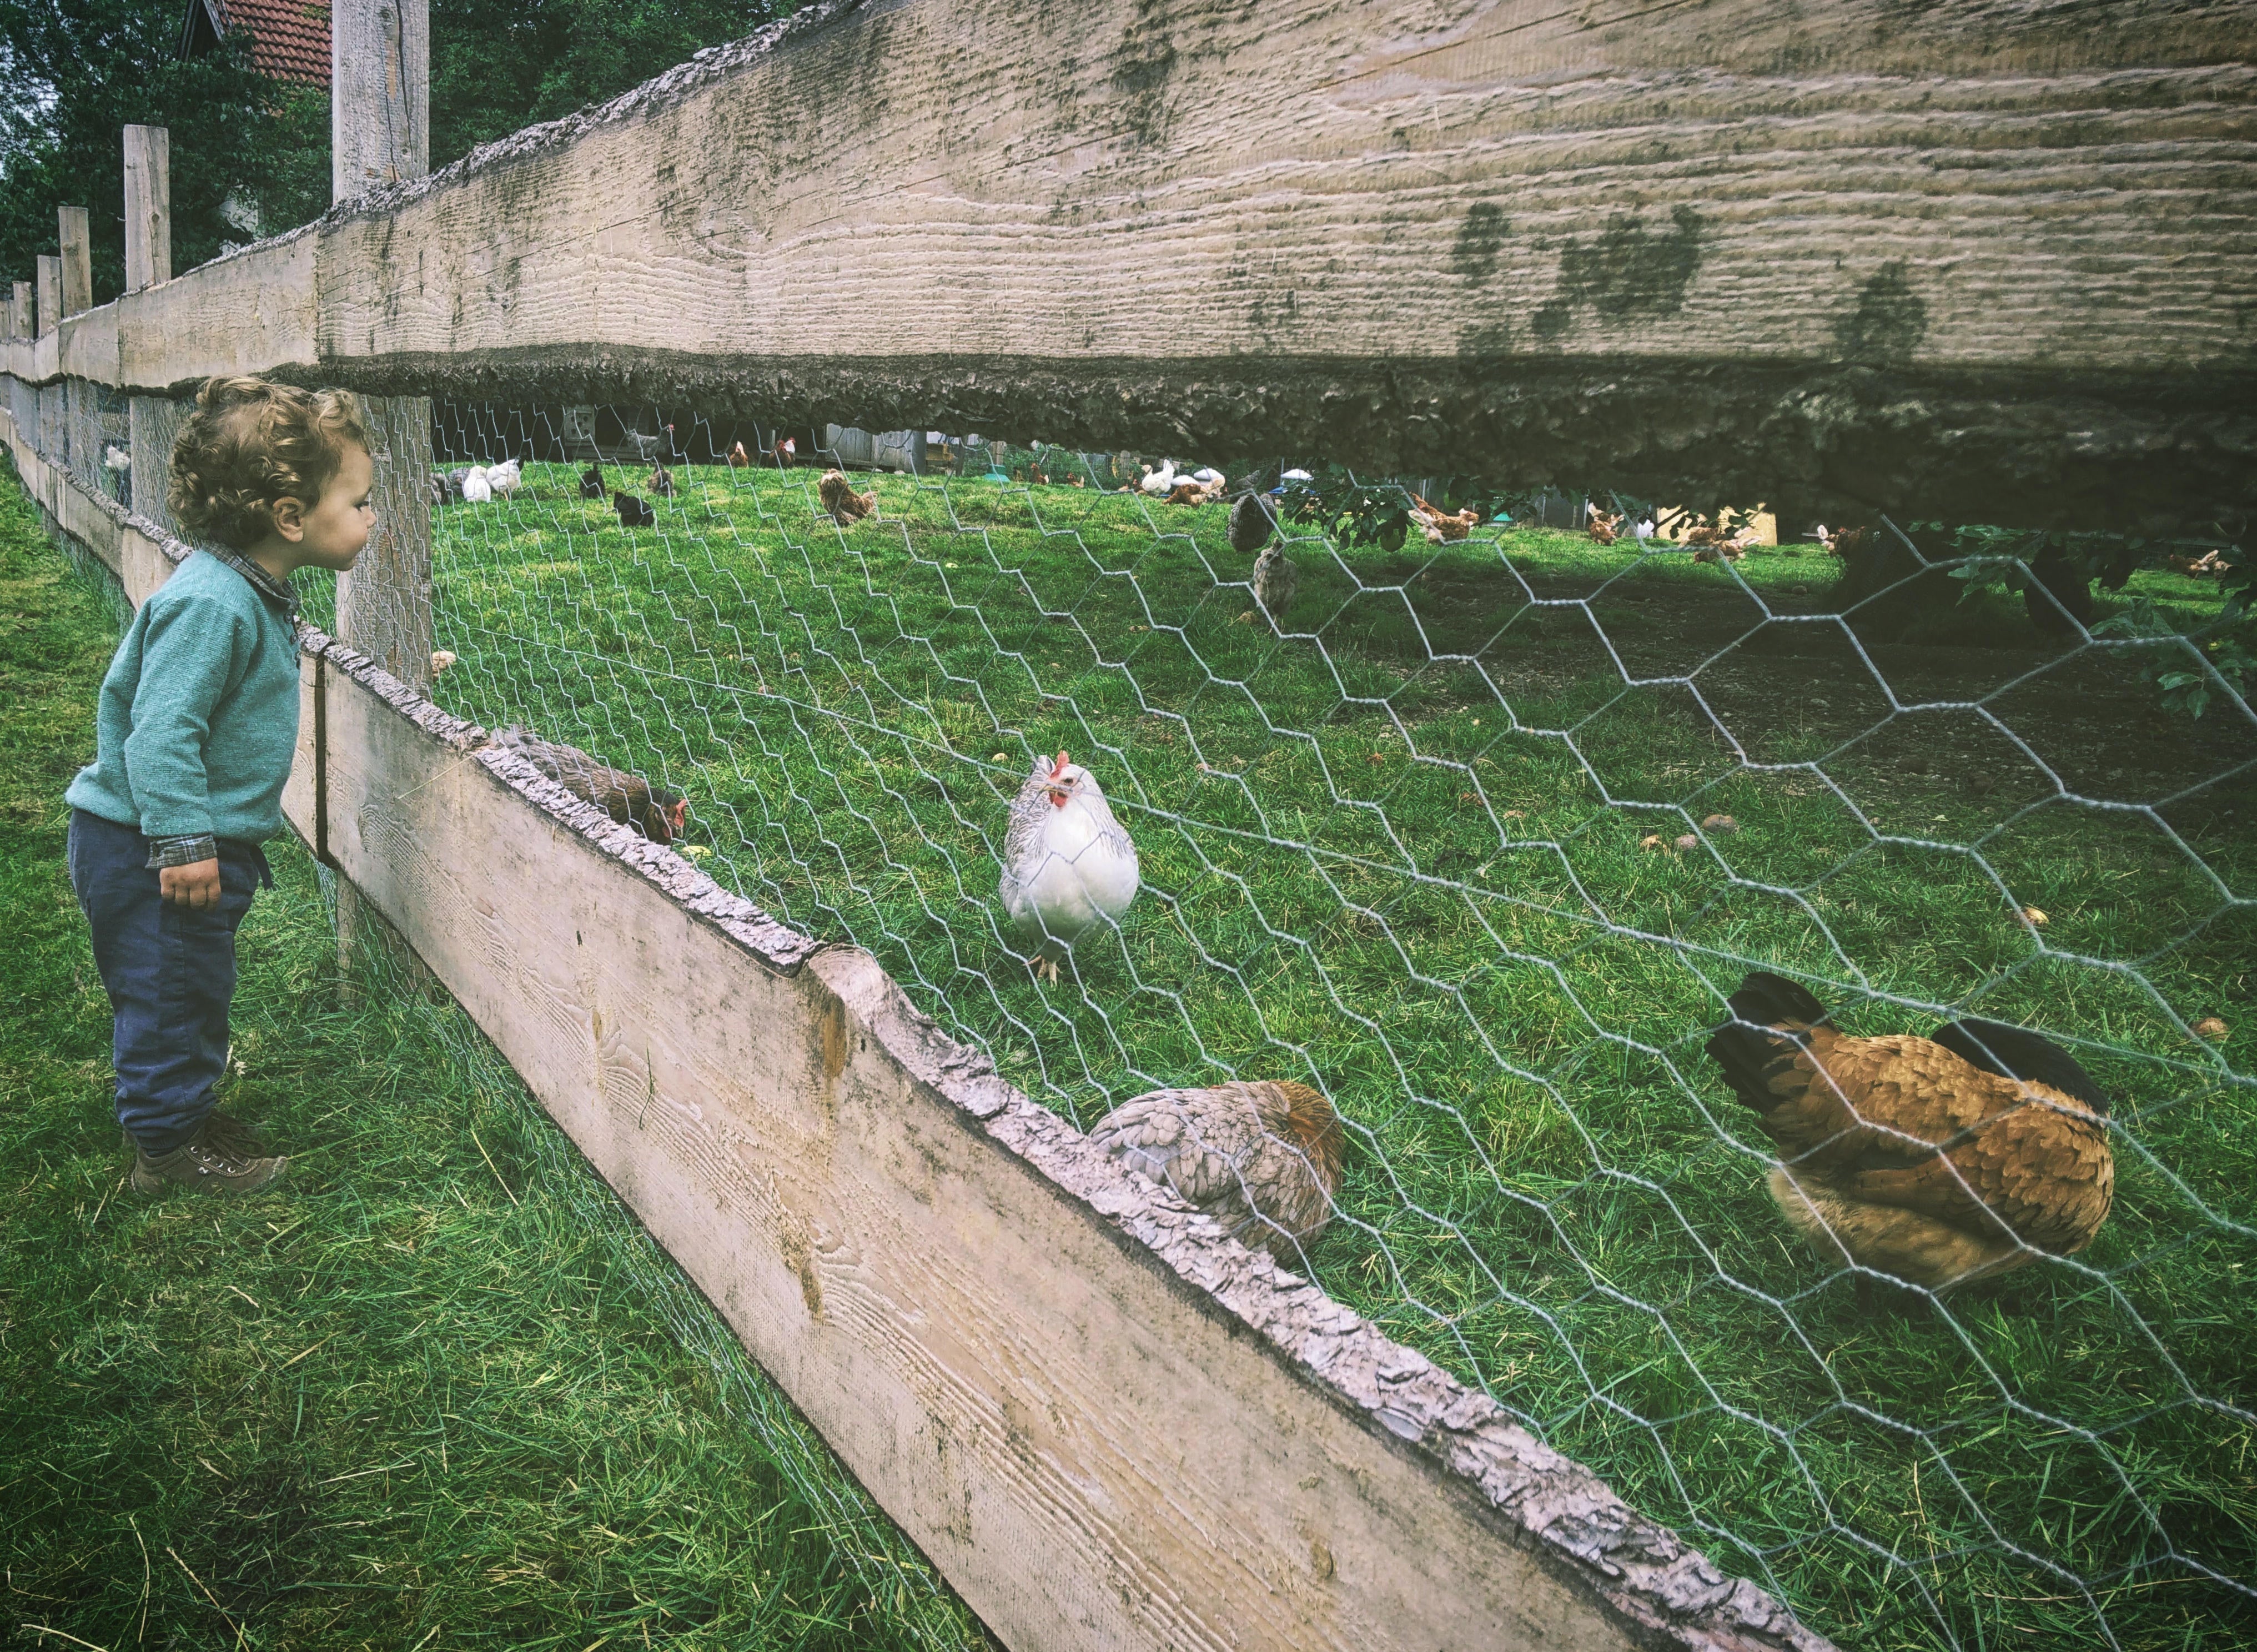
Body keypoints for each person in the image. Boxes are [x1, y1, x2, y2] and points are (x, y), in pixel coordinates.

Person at [65, 376, 375, 1194]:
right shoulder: (216, 606)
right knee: (171, 996)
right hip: (152, 848)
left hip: (174, 843)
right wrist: (183, 842)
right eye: (359, 501)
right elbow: (162, 732)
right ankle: (169, 1156)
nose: (371, 517)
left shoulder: (245, 591)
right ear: (289, 516)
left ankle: (181, 1114)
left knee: (187, 988)